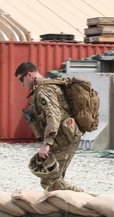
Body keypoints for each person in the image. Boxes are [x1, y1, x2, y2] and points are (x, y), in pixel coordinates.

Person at [14, 61, 83, 192]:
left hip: (64, 138)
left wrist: (46, 144)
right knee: (54, 178)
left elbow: (53, 116)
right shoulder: (45, 87)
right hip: (64, 136)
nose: (22, 84)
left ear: (29, 74)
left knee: (50, 180)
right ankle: (66, 206)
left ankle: (87, 201)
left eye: (21, 80)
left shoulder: (43, 90)